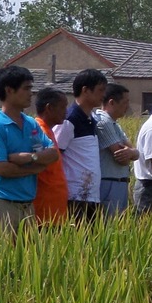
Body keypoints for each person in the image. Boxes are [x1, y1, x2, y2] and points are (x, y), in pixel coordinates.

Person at [0, 65, 58, 235]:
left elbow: (53, 153)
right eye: (26, 88)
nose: (31, 93)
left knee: (25, 252)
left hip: (27, 206)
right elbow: (1, 168)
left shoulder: (31, 124)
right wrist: (36, 168)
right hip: (0, 205)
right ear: (9, 90)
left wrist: (30, 157)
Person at [53, 68, 106, 222]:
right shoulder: (69, 120)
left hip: (90, 196)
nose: (103, 95)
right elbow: (55, 154)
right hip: (75, 197)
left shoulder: (91, 119)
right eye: (100, 90)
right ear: (85, 90)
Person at [94, 82, 140, 217]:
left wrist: (132, 152)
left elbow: (134, 152)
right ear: (112, 102)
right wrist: (131, 153)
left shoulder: (115, 124)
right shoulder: (103, 122)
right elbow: (122, 159)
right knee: (110, 223)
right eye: (125, 102)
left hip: (119, 182)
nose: (127, 106)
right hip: (109, 183)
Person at [32, 85, 70, 226]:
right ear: (49, 108)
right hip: (44, 211)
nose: (66, 112)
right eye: (63, 107)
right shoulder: (38, 132)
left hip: (54, 210)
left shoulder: (48, 131)